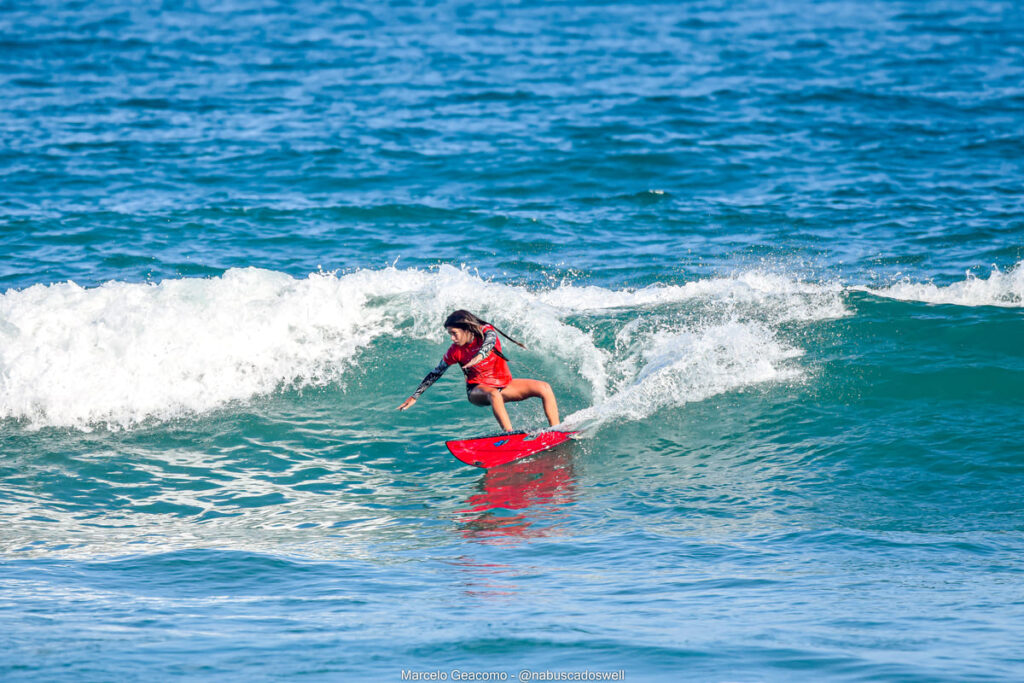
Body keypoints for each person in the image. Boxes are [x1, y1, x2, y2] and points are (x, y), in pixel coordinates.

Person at [397, 310, 559, 432]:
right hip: (477, 390)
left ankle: (555, 431)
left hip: (503, 385)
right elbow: (436, 372)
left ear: (467, 329)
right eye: (450, 334)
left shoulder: (486, 332)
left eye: (454, 333)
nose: (452, 338)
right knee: (493, 394)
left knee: (544, 388)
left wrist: (480, 355)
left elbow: (490, 341)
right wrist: (415, 396)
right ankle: (510, 436)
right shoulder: (455, 351)